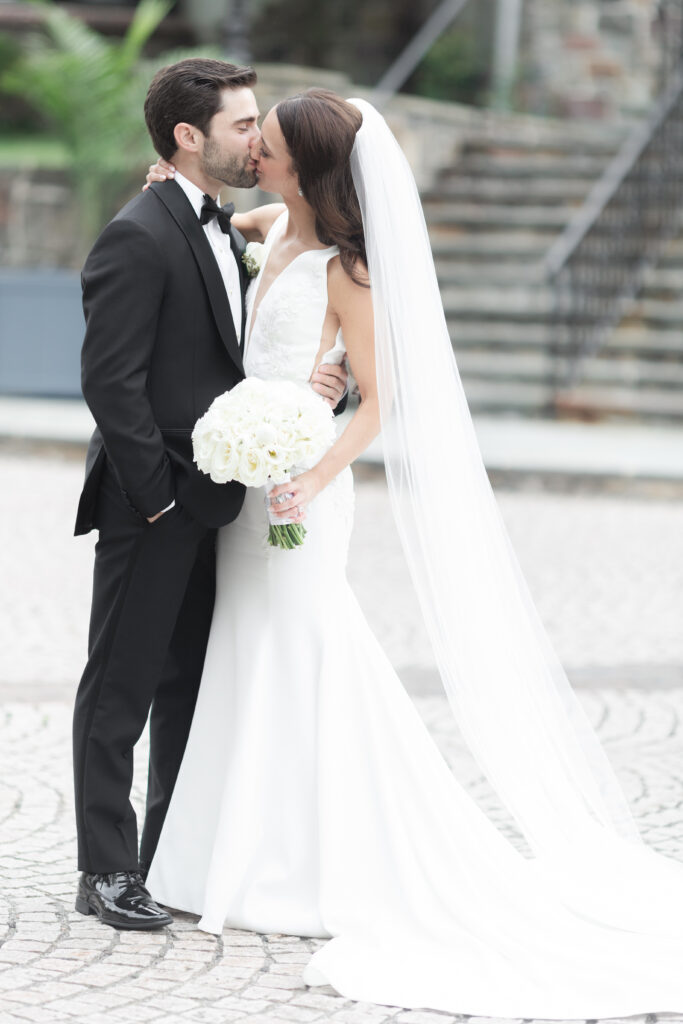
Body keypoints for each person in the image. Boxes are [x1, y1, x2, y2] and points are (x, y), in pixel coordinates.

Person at [140, 90, 683, 1017]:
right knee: (249, 650)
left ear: (309, 168)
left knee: (306, 652)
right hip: (250, 480)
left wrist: (311, 473)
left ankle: (308, 861)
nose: (254, 158)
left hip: (299, 493)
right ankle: (232, 845)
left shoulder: (352, 273)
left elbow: (383, 405)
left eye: (266, 147)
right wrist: (165, 182)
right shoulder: (270, 228)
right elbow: (217, 218)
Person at [72, 59, 347, 931]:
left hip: (220, 505)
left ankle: (166, 855)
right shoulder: (136, 235)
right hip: (152, 503)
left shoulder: (227, 227)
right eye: (241, 125)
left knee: (186, 686)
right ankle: (105, 871)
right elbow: (110, 385)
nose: (256, 138)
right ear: (188, 137)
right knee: (120, 685)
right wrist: (157, 500)